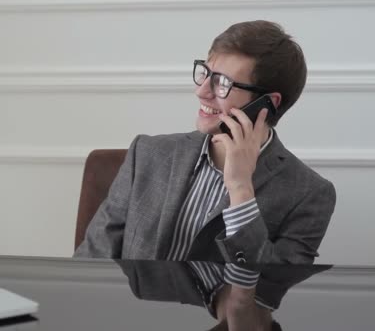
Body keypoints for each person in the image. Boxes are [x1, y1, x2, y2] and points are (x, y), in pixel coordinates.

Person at [74, 20, 337, 331]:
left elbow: (258, 301)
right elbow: (88, 268)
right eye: (205, 73)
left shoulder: (309, 195)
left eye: (223, 83)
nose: (202, 91)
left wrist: (241, 189)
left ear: (267, 103)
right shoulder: (147, 153)